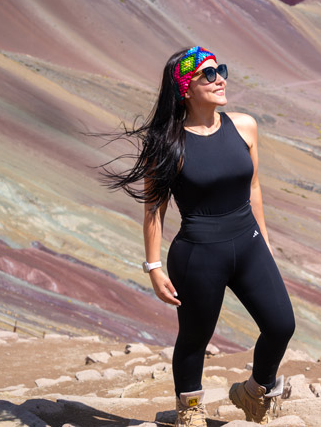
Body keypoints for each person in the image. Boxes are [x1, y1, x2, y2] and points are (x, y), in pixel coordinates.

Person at [102, 46, 296, 425]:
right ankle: (189, 411)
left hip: (249, 244)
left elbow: (254, 186)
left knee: (281, 325)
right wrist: (154, 267)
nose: (220, 78)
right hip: (198, 255)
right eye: (208, 74)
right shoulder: (167, 143)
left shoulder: (244, 126)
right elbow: (154, 209)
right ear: (185, 89)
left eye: (220, 69)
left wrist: (265, 240)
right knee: (195, 338)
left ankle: (254, 392)